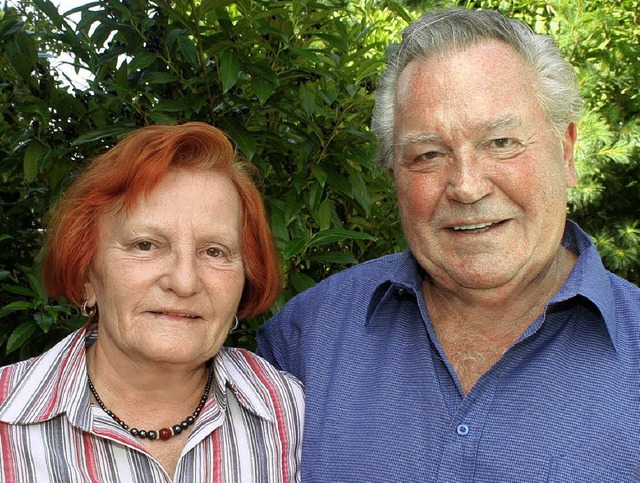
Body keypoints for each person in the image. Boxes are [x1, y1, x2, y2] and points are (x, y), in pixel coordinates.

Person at [257, 7, 640, 482]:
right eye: (430, 154)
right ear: (394, 174)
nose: (467, 186)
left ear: (565, 151)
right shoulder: (306, 340)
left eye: (500, 142)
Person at [0, 122, 304, 482]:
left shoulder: (288, 409)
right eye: (145, 245)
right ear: (87, 275)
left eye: (214, 251)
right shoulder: (9, 420)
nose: (185, 282)